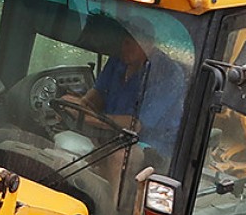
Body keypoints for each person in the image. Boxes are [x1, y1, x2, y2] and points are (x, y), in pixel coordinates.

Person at [64, 16, 188, 162]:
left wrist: (90, 118)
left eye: (129, 43)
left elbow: (135, 125)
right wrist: (78, 106)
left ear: (147, 44)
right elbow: (96, 95)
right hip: (112, 136)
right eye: (121, 42)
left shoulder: (168, 74)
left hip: (151, 148)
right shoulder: (118, 60)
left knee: (119, 158)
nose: (123, 48)